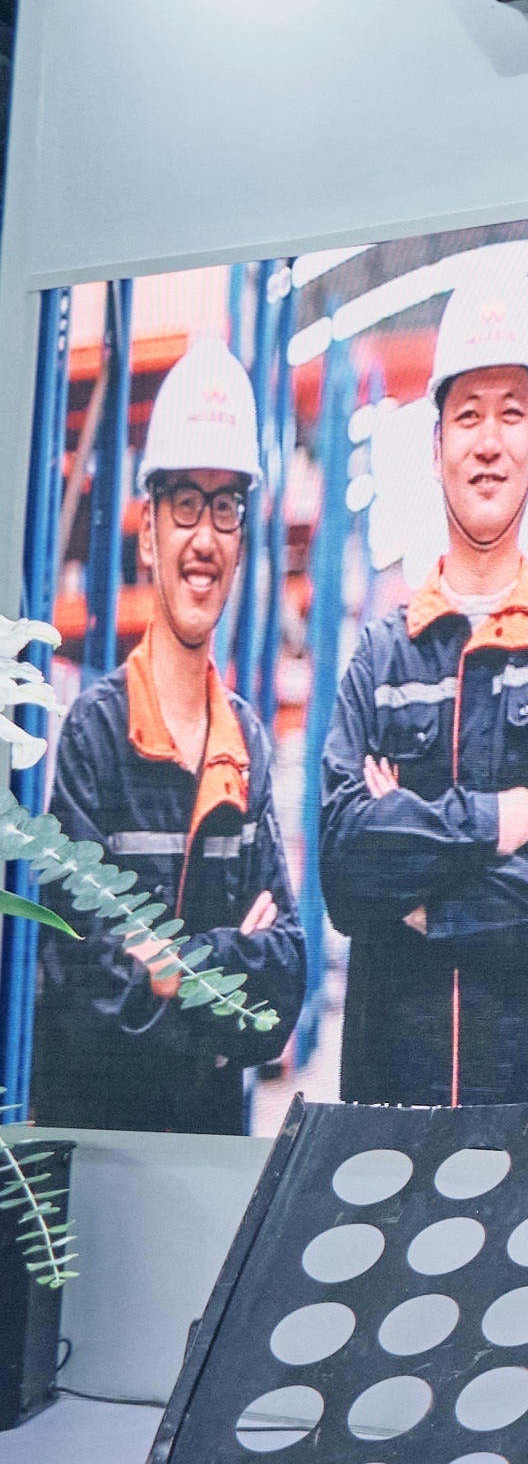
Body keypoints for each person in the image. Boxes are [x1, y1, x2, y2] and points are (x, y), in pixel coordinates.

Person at [317, 271, 528, 1105]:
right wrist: (494, 823)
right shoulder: (382, 657)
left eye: (511, 414)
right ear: (436, 444)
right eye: (468, 415)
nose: (489, 442)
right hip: (389, 1105)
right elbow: (345, 876)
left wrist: (424, 900)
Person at [35, 340, 305, 1133]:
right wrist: (226, 964)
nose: (205, 535)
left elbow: (282, 990)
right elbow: (81, 997)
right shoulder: (96, 736)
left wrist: (165, 970)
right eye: (185, 503)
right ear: (149, 533)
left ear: (241, 540)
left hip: (212, 1147)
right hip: (104, 1154)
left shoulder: (244, 743)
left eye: (226, 507)